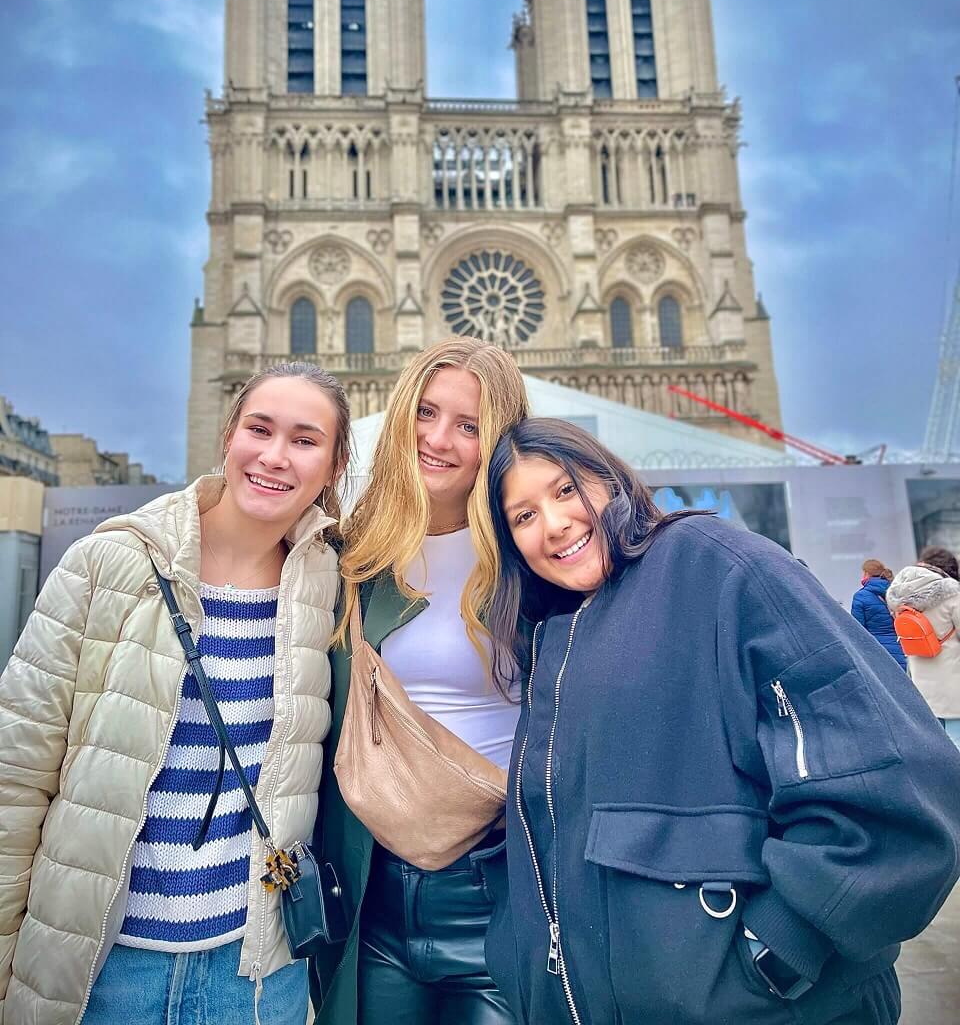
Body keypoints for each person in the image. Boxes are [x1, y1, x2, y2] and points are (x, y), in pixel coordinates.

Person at [479, 418, 960, 1025]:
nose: (553, 523)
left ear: (611, 480)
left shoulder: (718, 564)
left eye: (566, 489)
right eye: (523, 516)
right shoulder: (557, 632)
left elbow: (894, 780)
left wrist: (777, 953)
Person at [0, 362, 350, 1025]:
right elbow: (14, 779)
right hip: (105, 971)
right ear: (227, 435)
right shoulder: (111, 563)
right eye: (260, 429)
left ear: (333, 466)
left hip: (257, 976)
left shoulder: (329, 589)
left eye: (305, 440)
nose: (275, 455)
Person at [311, 336, 528, 1025]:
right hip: (376, 889)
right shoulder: (356, 552)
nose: (439, 440)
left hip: (499, 890)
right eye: (427, 413)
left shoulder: (531, 557)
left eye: (469, 426)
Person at [886, 561, 960, 749]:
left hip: (921, 679)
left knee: (935, 735)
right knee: (956, 736)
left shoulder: (900, 603)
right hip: (953, 676)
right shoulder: (951, 596)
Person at [851, 559, 906, 670]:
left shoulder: (860, 596)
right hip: (903, 649)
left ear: (866, 574)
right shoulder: (897, 593)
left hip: (877, 652)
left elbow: (857, 630)